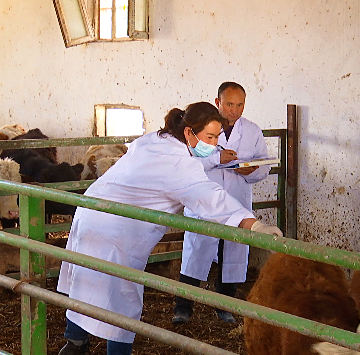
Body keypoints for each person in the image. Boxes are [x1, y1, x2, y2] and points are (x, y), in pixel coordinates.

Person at [56, 101, 282, 355]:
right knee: (123, 298)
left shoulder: (156, 139)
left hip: (90, 210)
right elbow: (211, 197)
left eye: (217, 136)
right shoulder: (180, 164)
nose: (215, 143)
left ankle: (74, 343)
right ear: (189, 133)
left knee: (84, 280)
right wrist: (253, 224)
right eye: (209, 136)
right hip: (118, 229)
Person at [172, 82, 271, 325]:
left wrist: (252, 172)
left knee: (234, 252)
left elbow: (265, 165)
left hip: (237, 199)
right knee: (196, 250)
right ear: (218, 103)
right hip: (204, 199)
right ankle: (183, 307)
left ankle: (225, 305)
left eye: (239, 105)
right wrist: (218, 159)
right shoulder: (198, 129)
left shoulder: (252, 131)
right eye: (229, 104)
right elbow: (188, 163)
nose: (234, 110)